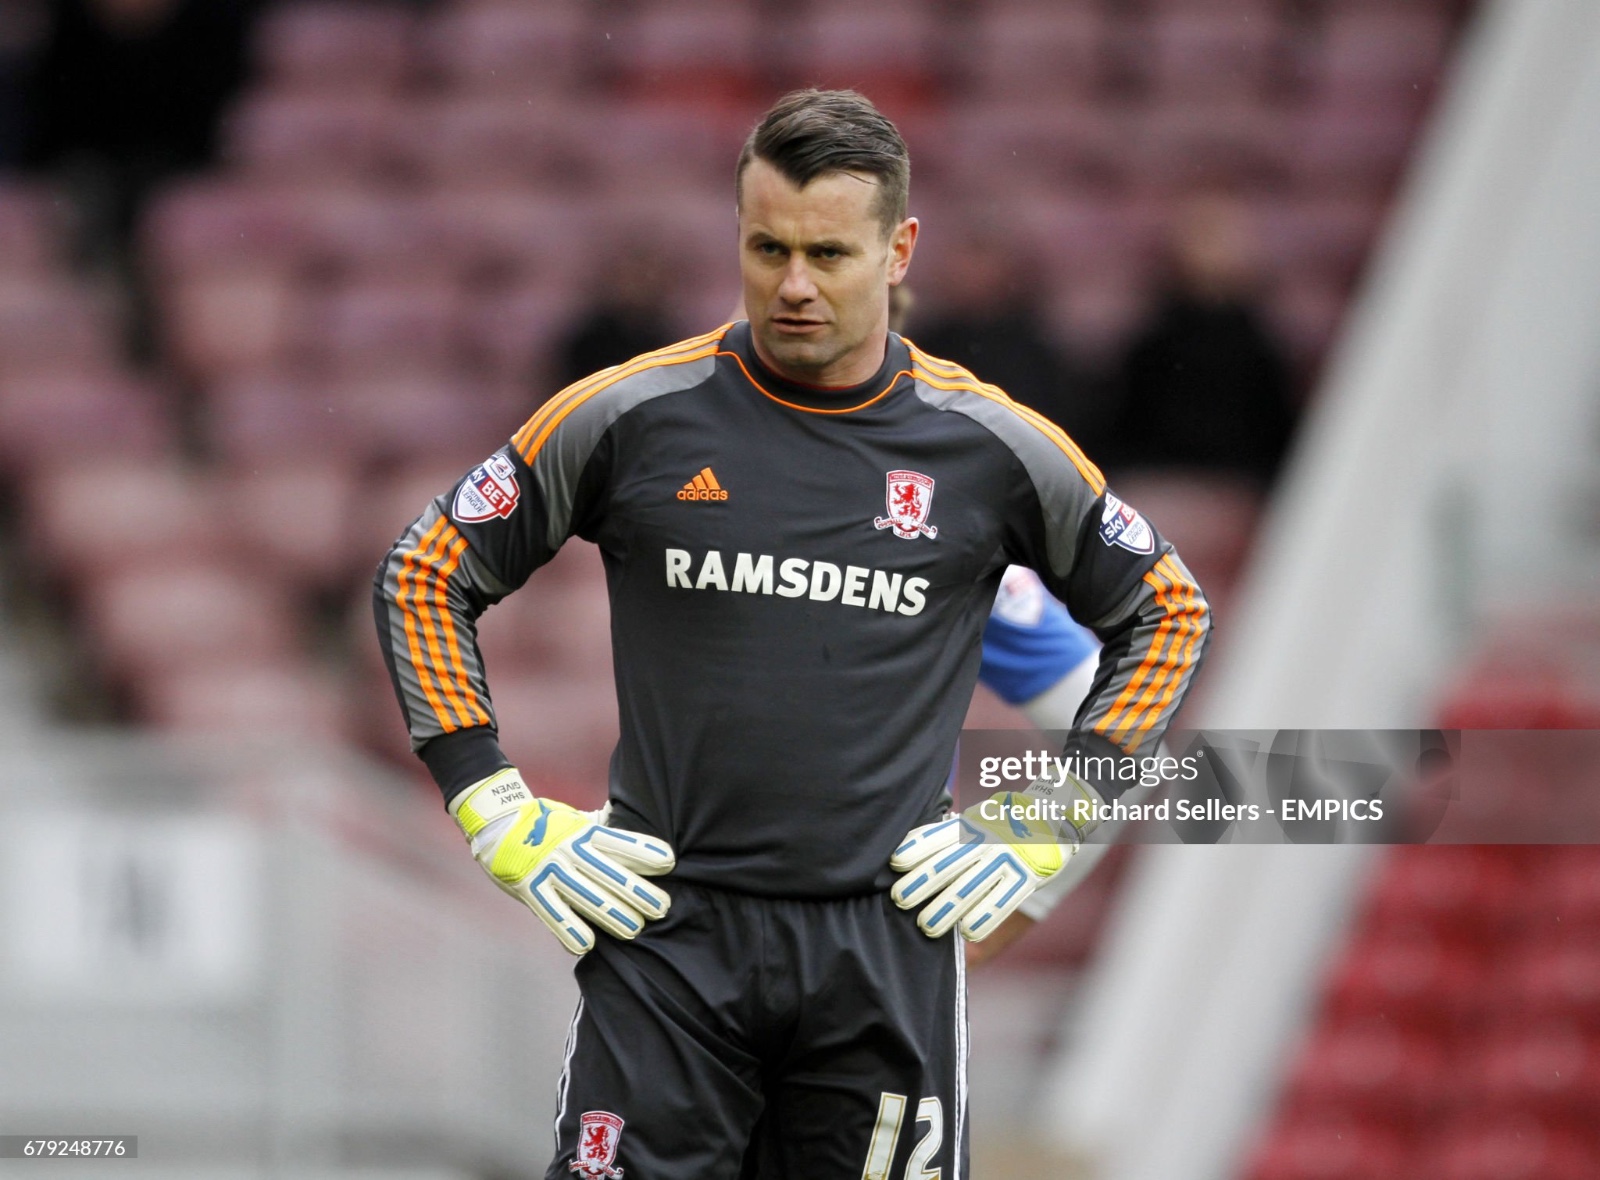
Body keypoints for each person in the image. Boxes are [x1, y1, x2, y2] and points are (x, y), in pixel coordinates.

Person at [375, 89, 1209, 1179]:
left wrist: (1055, 814)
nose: (795, 284)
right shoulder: (630, 416)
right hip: (667, 936)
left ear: (899, 250)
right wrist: (491, 804)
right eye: (768, 248)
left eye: (829, 253)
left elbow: (1165, 613)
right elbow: (425, 571)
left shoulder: (991, 450)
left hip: (884, 955)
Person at [1106, 193, 1297, 485]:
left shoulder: (1263, 347)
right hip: (1160, 482)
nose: (1213, 253)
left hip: (1244, 484)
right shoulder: (1152, 343)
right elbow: (1126, 428)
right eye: (1204, 236)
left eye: (1224, 237)